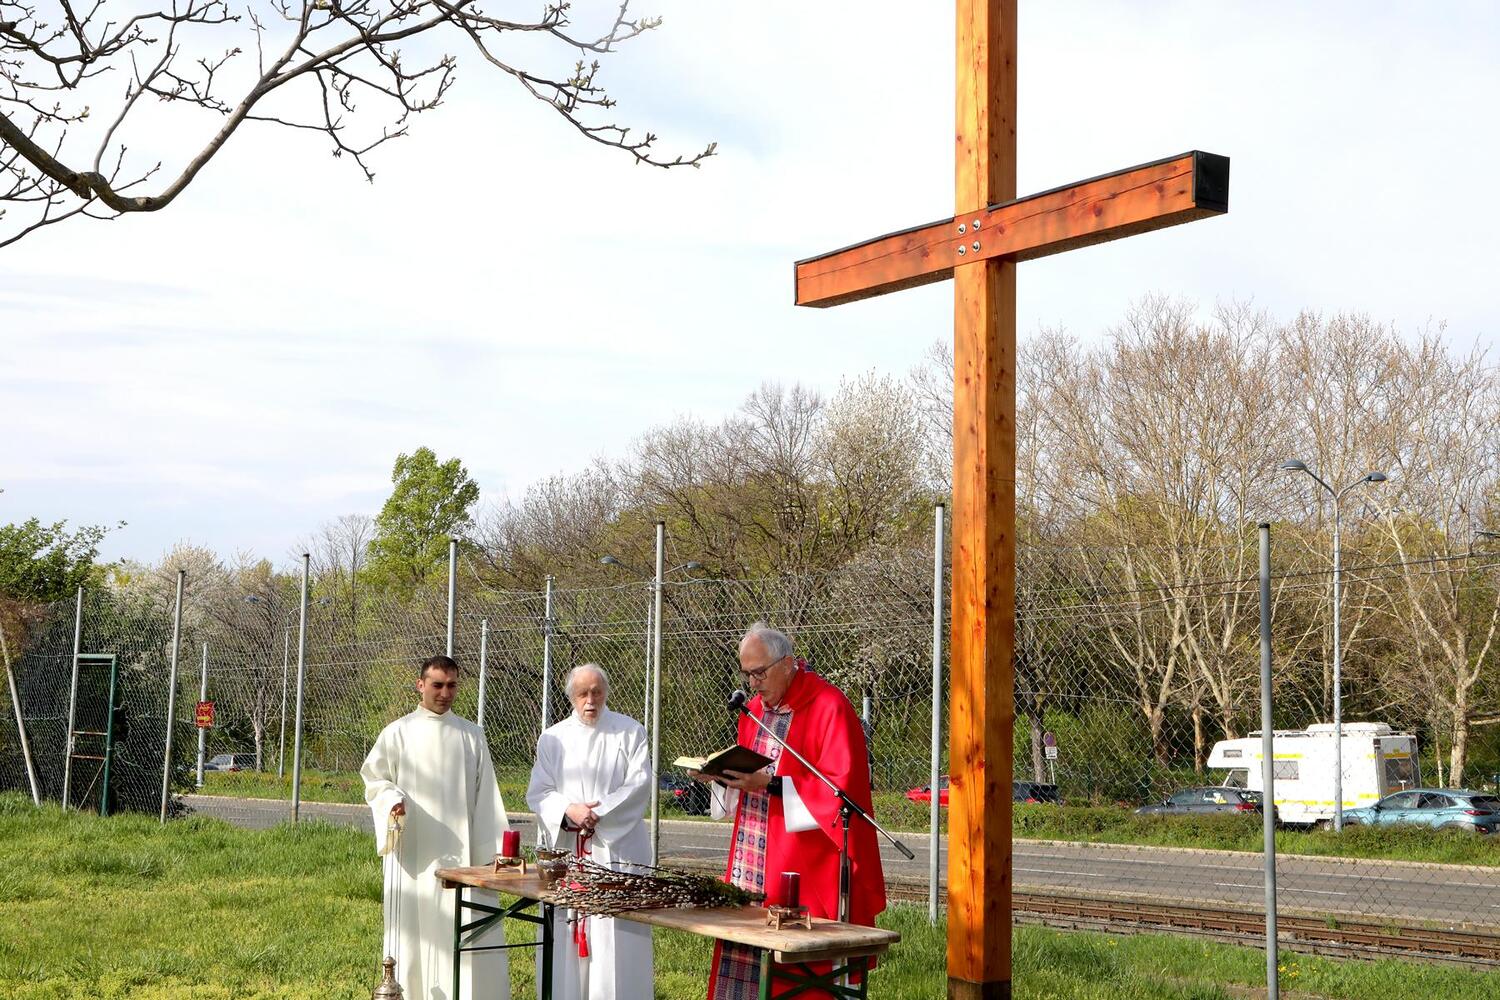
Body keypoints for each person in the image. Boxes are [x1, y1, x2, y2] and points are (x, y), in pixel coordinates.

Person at [697, 623, 886, 1000]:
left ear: (787, 664)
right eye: (747, 674)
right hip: (752, 853)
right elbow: (748, 774)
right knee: (745, 951)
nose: (753, 684)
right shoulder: (752, 710)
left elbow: (841, 789)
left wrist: (769, 784)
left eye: (759, 673)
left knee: (798, 971)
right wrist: (721, 775)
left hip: (803, 858)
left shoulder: (829, 706)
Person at [361, 654, 510, 1000]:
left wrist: (491, 854)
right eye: (437, 685)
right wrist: (392, 800)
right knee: (414, 929)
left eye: (452, 685)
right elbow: (375, 780)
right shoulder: (397, 732)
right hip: (414, 854)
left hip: (464, 854)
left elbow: (486, 797)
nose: (445, 693)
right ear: (420, 685)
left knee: (466, 925)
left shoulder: (472, 735)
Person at [527, 663, 653, 1000]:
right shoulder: (553, 738)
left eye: (597, 692)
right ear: (571, 697)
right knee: (565, 939)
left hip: (615, 852)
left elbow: (639, 784)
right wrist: (569, 810)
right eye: (582, 693)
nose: (590, 700)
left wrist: (599, 812)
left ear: (606, 692)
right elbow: (539, 792)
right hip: (570, 850)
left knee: (615, 939)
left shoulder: (630, 732)